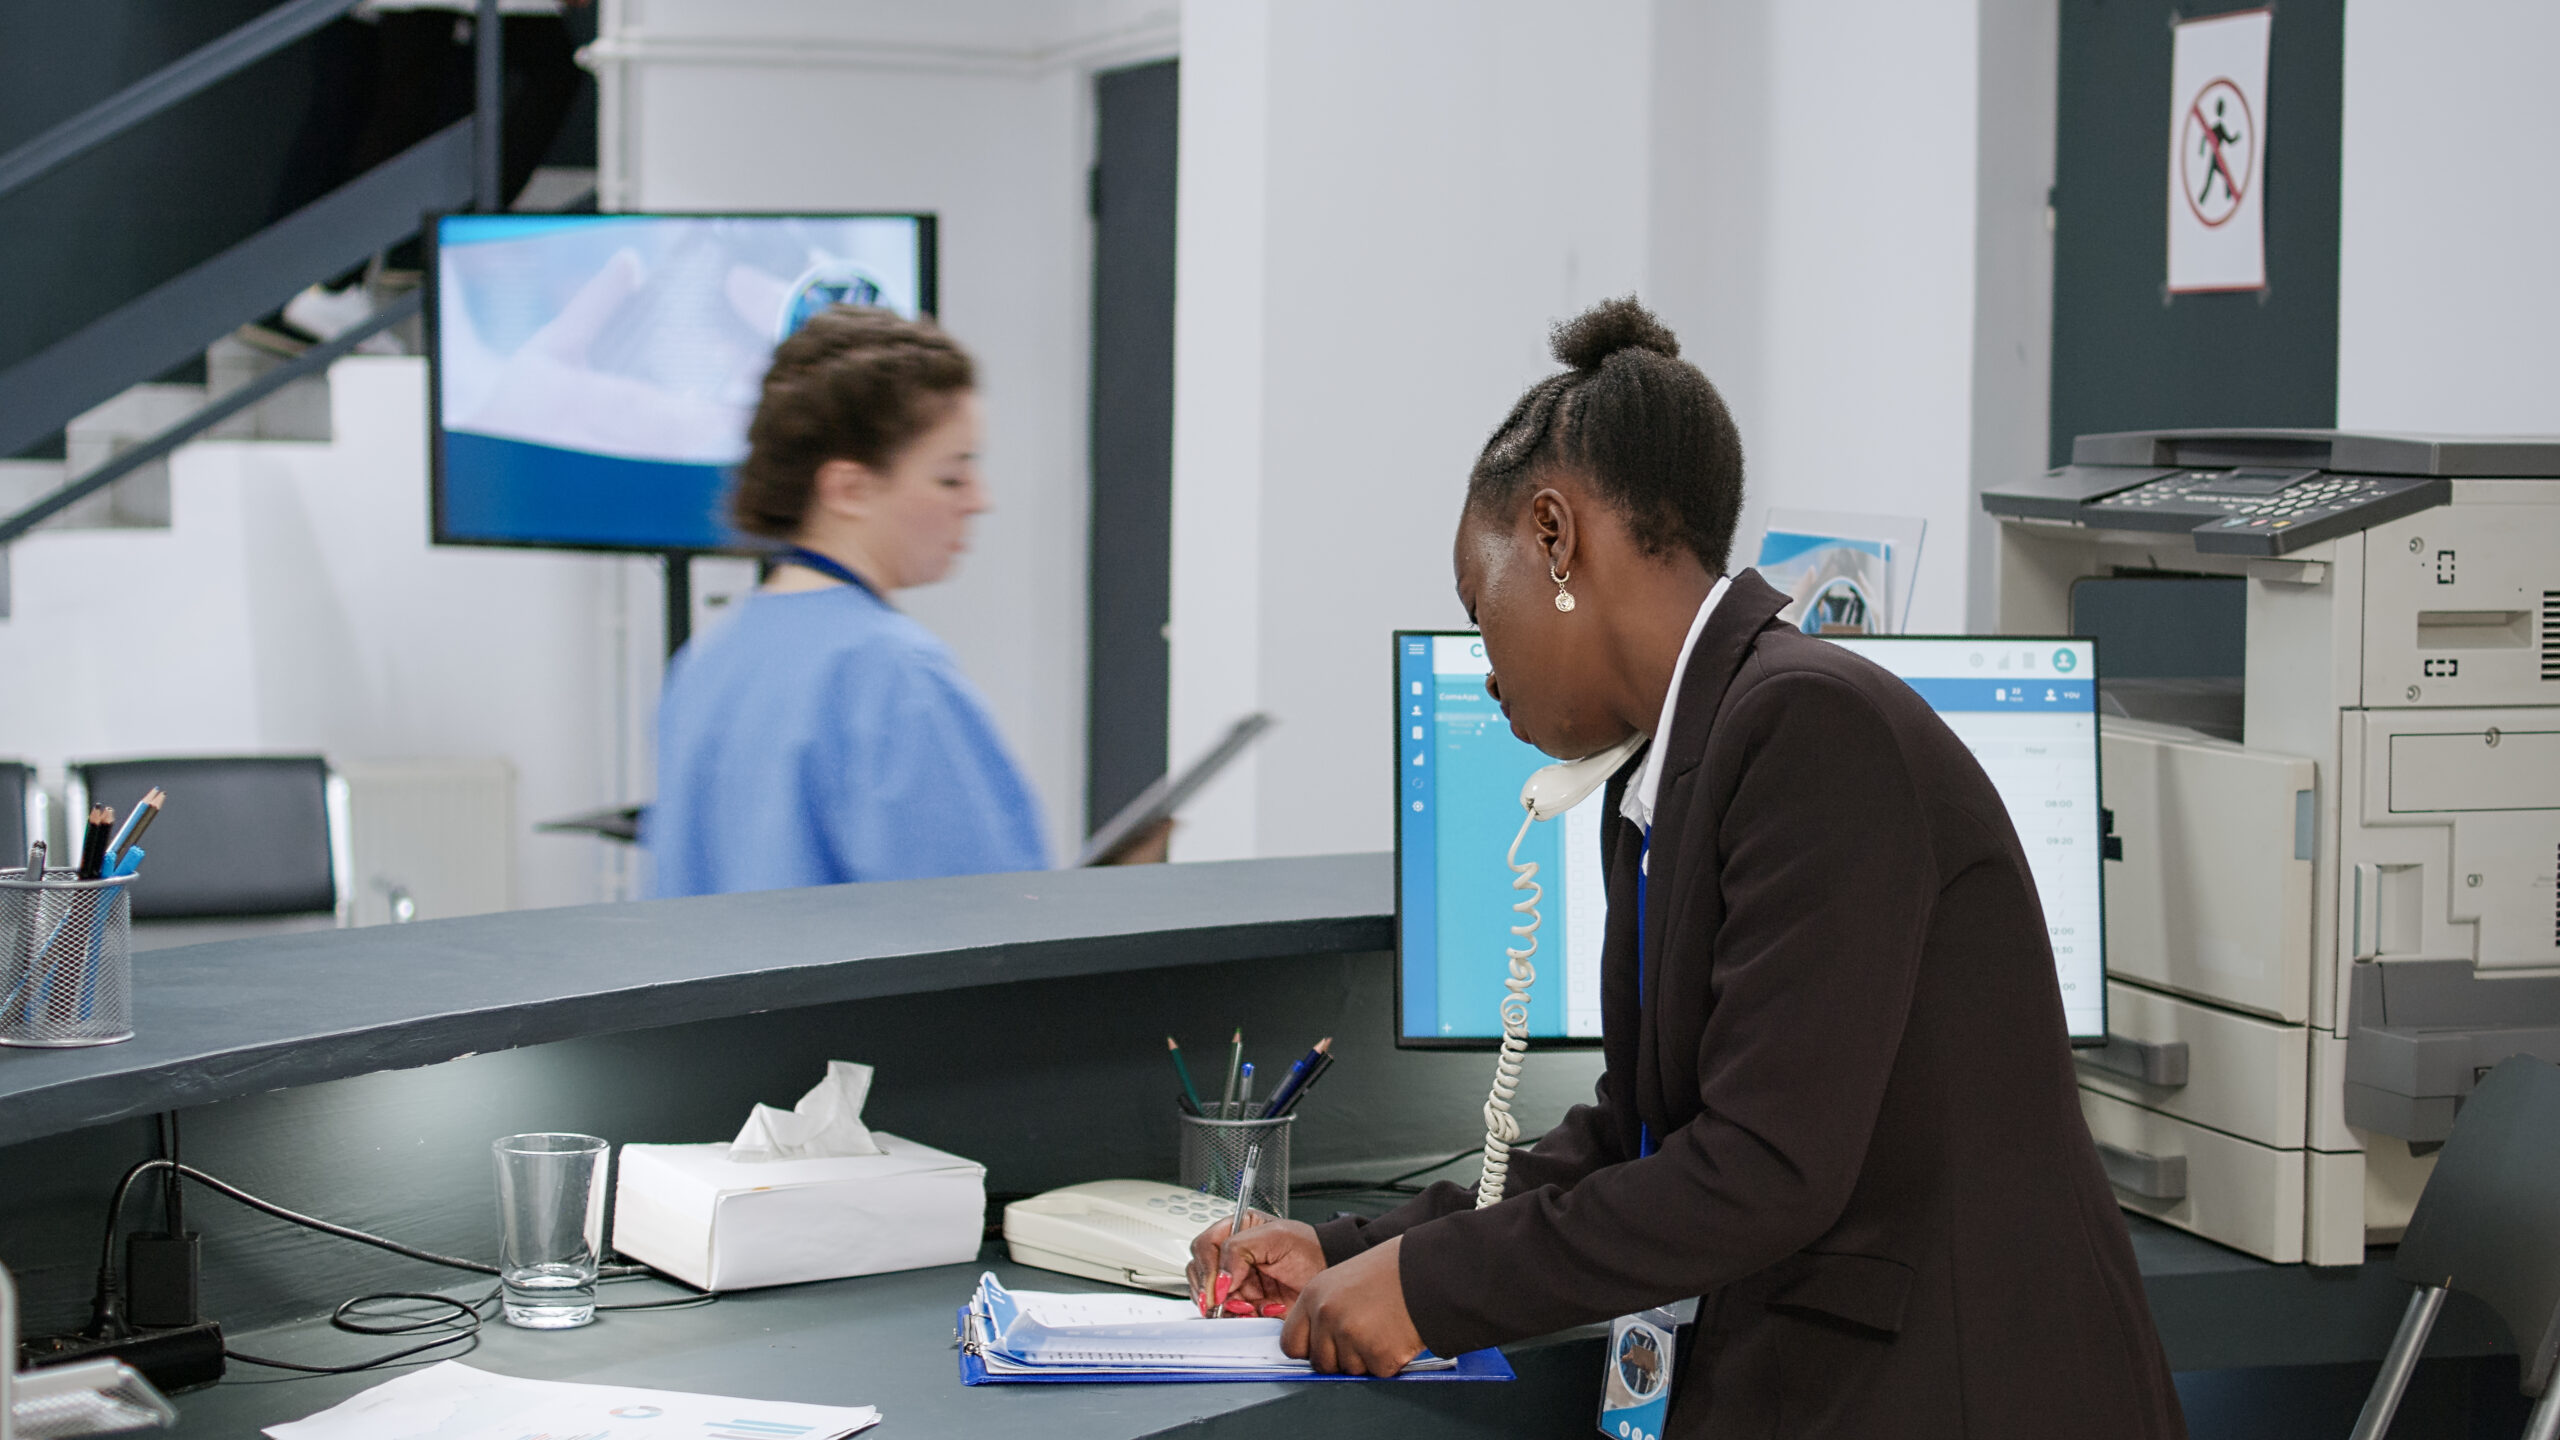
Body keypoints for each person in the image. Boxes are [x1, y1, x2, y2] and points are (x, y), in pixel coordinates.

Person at [1191, 299, 2187, 1437]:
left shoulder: (1810, 729)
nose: (1487, 666)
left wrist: (1432, 1293)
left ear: (1556, 537)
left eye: (1481, 609)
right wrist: (1353, 1248)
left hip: (1961, 1395)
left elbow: (1761, 1167)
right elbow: (1635, 1137)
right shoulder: (1675, 764)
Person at [649, 307, 1048, 896]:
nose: (980, 500)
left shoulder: (708, 662)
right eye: (950, 476)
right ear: (849, 489)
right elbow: (1000, 938)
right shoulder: (892, 675)